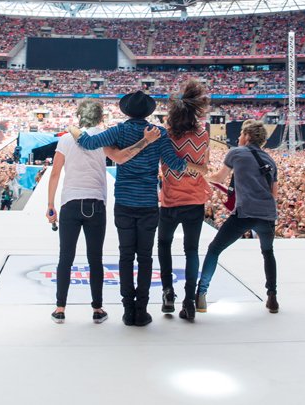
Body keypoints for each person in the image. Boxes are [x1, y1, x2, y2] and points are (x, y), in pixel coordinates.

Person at [71, 90, 205, 327]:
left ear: (126, 110)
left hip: (123, 202)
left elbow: (88, 143)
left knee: (125, 256)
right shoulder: (159, 133)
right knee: (144, 258)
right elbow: (174, 165)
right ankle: (141, 311)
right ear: (148, 112)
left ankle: (127, 310)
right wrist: (200, 168)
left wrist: (73, 130)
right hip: (147, 204)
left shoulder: (119, 130)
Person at [46, 100, 160, 324]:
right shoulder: (105, 138)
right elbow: (120, 158)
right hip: (95, 202)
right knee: (95, 258)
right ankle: (97, 309)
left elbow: (55, 174)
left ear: (80, 116)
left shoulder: (66, 139)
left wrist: (50, 205)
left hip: (70, 202)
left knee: (65, 257)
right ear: (100, 118)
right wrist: (145, 142)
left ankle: (60, 308)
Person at [197, 119, 279, 314]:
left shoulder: (236, 152)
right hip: (267, 215)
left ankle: (201, 295)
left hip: (244, 213)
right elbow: (273, 194)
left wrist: (201, 176)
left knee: (214, 249)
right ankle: (272, 297)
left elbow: (219, 178)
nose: (238, 137)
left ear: (248, 136)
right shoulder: (270, 160)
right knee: (268, 253)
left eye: (241, 134)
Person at [157, 79, 211, 321]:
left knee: (164, 246)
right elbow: (205, 166)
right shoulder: (203, 135)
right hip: (195, 202)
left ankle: (168, 292)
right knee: (191, 251)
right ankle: (189, 301)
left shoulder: (165, 137)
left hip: (169, 201)